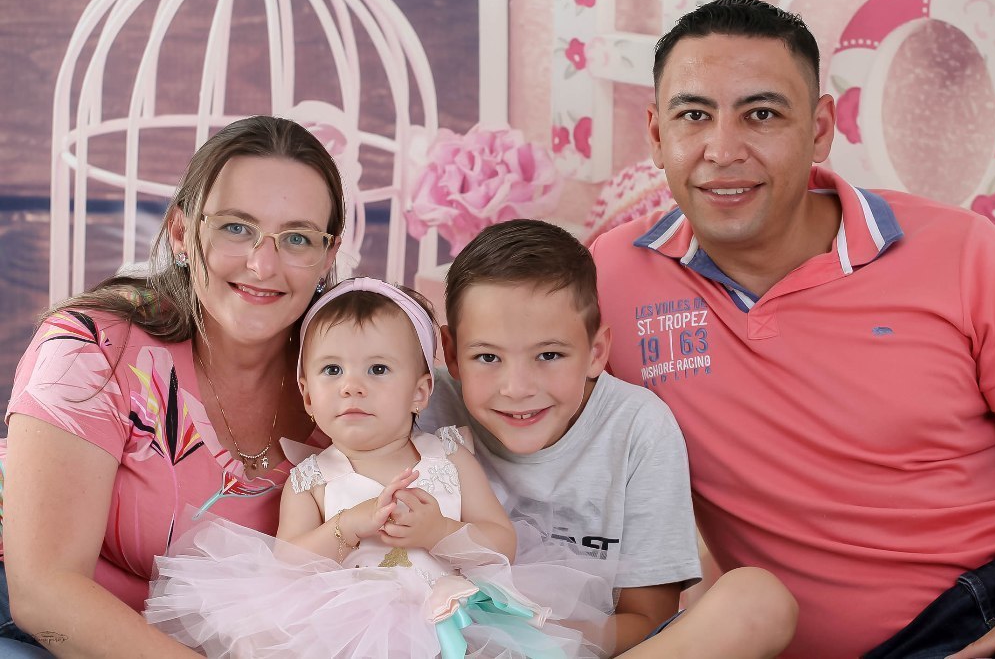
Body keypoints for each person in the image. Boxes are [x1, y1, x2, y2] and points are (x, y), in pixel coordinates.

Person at [588, 0, 995, 659]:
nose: (722, 150)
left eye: (761, 114)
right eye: (693, 116)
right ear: (656, 134)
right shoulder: (613, 277)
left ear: (820, 129)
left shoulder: (961, 251)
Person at [1, 115, 345, 657]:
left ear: (328, 255)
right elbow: (43, 593)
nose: (263, 265)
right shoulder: (92, 350)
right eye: (236, 227)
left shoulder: (351, 381)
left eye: (297, 238)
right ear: (182, 232)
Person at [146, 276, 614, 658]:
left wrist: (439, 531)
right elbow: (288, 563)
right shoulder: (312, 479)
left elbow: (501, 542)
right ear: (307, 395)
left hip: (453, 618)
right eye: (332, 370)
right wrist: (348, 526)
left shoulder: (447, 456)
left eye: (377, 370)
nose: (352, 386)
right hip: (346, 629)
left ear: (420, 392)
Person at [418, 218, 798, 657]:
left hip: (591, 649)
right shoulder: (421, 406)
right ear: (451, 353)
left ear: (596, 352)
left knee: (758, 600)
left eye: (549, 355)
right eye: (487, 357)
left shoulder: (637, 427)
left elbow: (648, 619)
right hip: (447, 642)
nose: (517, 388)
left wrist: (539, 638)